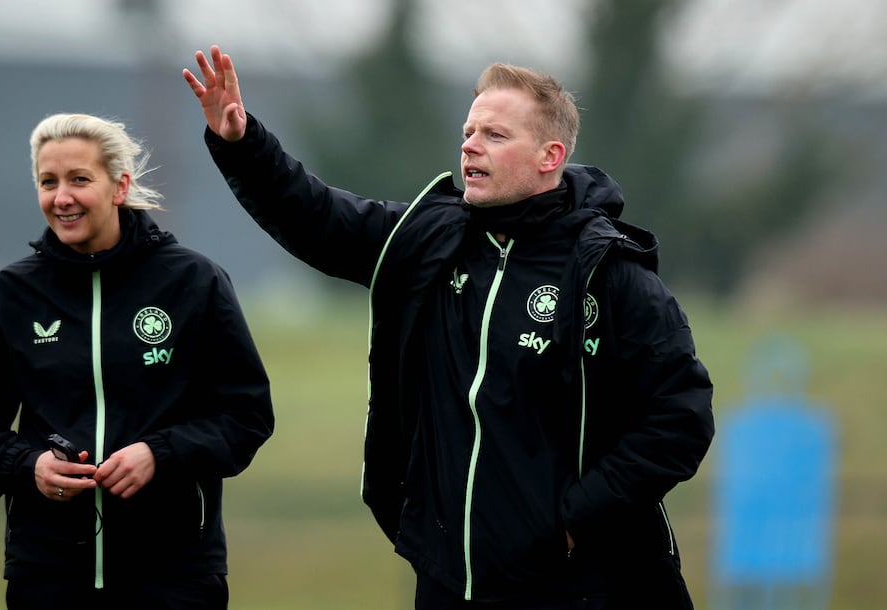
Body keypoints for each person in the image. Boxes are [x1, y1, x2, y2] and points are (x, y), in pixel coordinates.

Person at [184, 44, 715, 609]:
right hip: (447, 580)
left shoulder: (609, 273)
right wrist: (242, 143)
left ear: (549, 155)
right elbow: (319, 217)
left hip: (575, 584)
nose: (470, 145)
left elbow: (680, 417)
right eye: (469, 131)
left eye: (494, 134)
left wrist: (578, 517)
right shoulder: (429, 240)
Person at [0, 112, 274, 610]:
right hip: (47, 573)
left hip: (174, 575)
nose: (62, 197)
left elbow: (246, 417)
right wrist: (27, 466)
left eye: (79, 179)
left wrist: (160, 454)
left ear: (120, 187)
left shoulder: (194, 283)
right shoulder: (11, 294)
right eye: (48, 182)